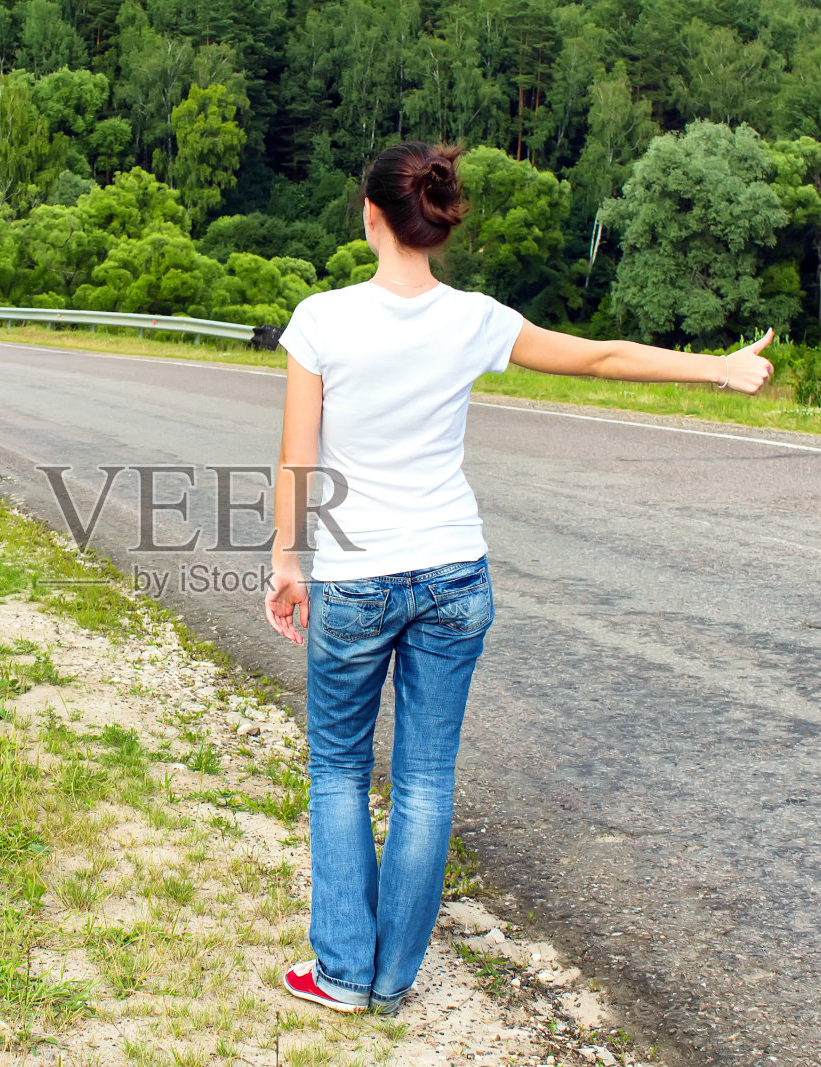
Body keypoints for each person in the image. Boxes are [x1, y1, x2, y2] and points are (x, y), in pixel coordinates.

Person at [264, 140, 774, 1015]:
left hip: (356, 578)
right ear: (433, 220)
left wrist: (285, 559)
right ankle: (389, 981)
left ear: (372, 215)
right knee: (426, 779)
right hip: (455, 572)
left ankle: (342, 972)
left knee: (340, 770)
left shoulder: (321, 319)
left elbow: (296, 457)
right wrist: (716, 367)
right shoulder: (474, 318)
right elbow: (603, 357)